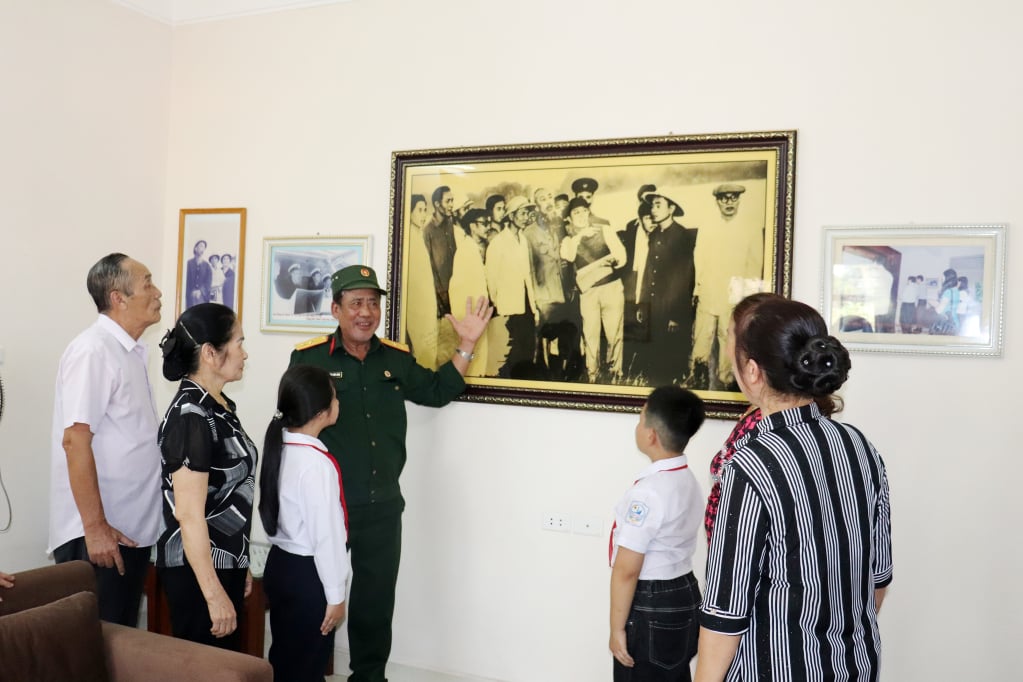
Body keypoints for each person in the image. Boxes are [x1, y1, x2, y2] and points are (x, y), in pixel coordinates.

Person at [288, 264, 492, 682]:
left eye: (374, 303)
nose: (367, 312)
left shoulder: (395, 358)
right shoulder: (309, 358)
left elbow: (437, 392)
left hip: (381, 505)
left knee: (374, 606)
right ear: (336, 309)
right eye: (356, 303)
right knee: (314, 599)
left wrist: (467, 344)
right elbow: (292, 428)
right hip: (328, 506)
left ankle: (368, 677)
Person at [695, 294, 893, 682]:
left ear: (752, 371)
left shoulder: (752, 463)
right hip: (855, 666)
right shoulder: (859, 446)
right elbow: (878, 578)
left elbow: (726, 612)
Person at [48, 253, 163, 626]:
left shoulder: (129, 352)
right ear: (119, 297)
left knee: (119, 646)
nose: (157, 292)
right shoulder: (94, 349)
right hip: (98, 536)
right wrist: (95, 529)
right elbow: (75, 441)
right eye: (147, 283)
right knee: (93, 651)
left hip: (127, 531)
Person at [156, 302, 258, 650]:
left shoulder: (218, 406)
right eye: (239, 343)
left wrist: (238, 561)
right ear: (212, 354)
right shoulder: (192, 415)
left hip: (221, 562)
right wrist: (213, 593)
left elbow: (226, 493)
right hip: (196, 572)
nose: (245, 353)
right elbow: (188, 513)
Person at [259, 364, 349, 682]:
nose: (339, 403)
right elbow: (327, 537)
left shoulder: (281, 447)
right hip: (309, 576)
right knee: (307, 668)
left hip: (280, 567)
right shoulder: (315, 464)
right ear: (321, 411)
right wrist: (336, 596)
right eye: (336, 397)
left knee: (286, 660)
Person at [610, 385, 705, 682]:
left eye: (640, 420)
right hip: (684, 592)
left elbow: (627, 570)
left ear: (651, 435)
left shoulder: (649, 493)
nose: (637, 426)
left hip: (652, 603)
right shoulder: (687, 479)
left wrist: (616, 629)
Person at [689, 184, 764, 390]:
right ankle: (699, 377)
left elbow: (754, 264)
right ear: (718, 201)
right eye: (724, 198)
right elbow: (700, 258)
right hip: (708, 292)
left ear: (739, 199)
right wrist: (698, 287)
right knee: (702, 336)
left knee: (728, 337)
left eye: (733, 198)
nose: (729, 202)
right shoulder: (708, 225)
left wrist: (746, 298)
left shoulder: (751, 226)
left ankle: (726, 382)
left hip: (733, 297)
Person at [561, 197, 627, 382]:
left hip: (611, 288)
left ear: (589, 213)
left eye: (584, 211)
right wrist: (580, 237)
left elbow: (621, 257)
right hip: (588, 294)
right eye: (576, 213)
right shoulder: (568, 240)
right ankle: (593, 376)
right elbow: (568, 256)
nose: (581, 216)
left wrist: (611, 261)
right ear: (570, 218)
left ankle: (616, 374)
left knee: (614, 334)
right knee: (590, 336)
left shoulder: (604, 229)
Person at [638, 187, 697, 386]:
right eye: (652, 205)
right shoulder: (655, 235)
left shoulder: (681, 236)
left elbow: (684, 278)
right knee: (654, 354)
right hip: (654, 305)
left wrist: (676, 314)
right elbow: (648, 270)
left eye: (658, 205)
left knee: (669, 357)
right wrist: (643, 303)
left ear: (671, 209)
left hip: (670, 307)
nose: (653, 209)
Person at [486, 196, 539, 378]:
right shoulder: (498, 243)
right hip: (508, 308)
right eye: (522, 213)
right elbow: (491, 279)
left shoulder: (523, 240)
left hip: (525, 306)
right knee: (511, 351)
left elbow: (527, 276)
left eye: (527, 213)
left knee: (527, 347)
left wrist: (533, 306)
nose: (525, 217)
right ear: (512, 215)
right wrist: (499, 308)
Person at [449, 208, 492, 376]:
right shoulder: (466, 251)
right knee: (474, 361)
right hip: (471, 318)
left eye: (488, 223)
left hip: (478, 315)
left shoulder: (473, 248)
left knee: (480, 358)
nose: (488, 227)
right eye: (484, 224)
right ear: (473, 227)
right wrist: (466, 319)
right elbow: (457, 288)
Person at [405, 193, 440, 369]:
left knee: (428, 350)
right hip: (416, 305)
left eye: (425, 210)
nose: (423, 214)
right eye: (419, 210)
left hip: (427, 303)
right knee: (422, 350)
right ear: (408, 211)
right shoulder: (407, 239)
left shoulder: (419, 236)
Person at [185, 240, 212, 307]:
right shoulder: (188, 263)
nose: (202, 248)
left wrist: (200, 291)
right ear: (195, 248)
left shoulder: (207, 266)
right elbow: (185, 280)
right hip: (190, 296)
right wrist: (191, 292)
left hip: (202, 296)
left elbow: (208, 282)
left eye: (204, 247)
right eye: (200, 246)